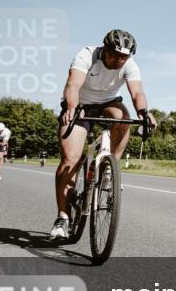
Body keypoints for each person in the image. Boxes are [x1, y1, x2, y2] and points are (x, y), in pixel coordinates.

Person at [50, 29, 157, 239]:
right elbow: (73, 84)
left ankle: (110, 169)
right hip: (80, 105)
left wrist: (144, 113)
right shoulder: (87, 55)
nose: (119, 60)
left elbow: (137, 93)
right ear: (105, 49)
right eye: (115, 54)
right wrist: (71, 107)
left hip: (108, 103)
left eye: (124, 56)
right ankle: (62, 218)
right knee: (70, 160)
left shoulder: (130, 65)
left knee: (123, 117)